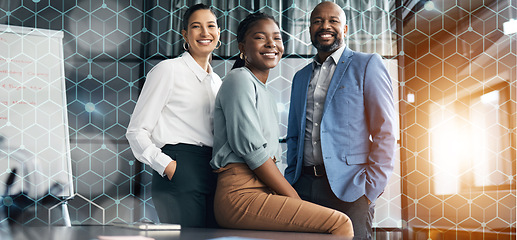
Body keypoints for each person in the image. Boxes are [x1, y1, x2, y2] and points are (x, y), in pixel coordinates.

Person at [210, 12, 353, 237]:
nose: (271, 44)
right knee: (340, 224)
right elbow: (253, 152)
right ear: (242, 47)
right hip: (240, 194)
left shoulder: (262, 90)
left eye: (277, 38)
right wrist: (293, 198)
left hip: (262, 190)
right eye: (260, 37)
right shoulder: (239, 80)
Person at [284, 1, 396, 239]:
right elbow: (294, 134)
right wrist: (291, 179)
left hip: (351, 189)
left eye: (333, 21)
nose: (325, 26)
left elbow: (385, 130)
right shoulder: (300, 77)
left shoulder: (367, 64)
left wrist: (371, 188)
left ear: (345, 29)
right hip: (303, 187)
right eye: (317, 21)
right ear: (310, 29)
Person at [126, 3, 221, 227]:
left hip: (211, 170)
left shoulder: (217, 82)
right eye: (196, 27)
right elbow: (136, 131)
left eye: (211, 26)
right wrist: (168, 167)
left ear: (219, 33)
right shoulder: (168, 70)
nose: (205, 33)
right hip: (180, 167)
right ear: (185, 34)